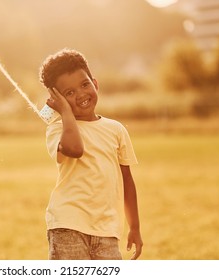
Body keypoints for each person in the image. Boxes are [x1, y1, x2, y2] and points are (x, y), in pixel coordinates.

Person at [39, 48, 143, 260]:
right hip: (67, 226)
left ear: (95, 83)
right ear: (57, 99)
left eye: (84, 85)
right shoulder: (57, 129)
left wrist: (135, 227)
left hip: (107, 231)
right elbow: (75, 150)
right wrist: (66, 113)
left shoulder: (116, 129)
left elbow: (127, 180)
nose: (81, 94)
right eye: (69, 93)